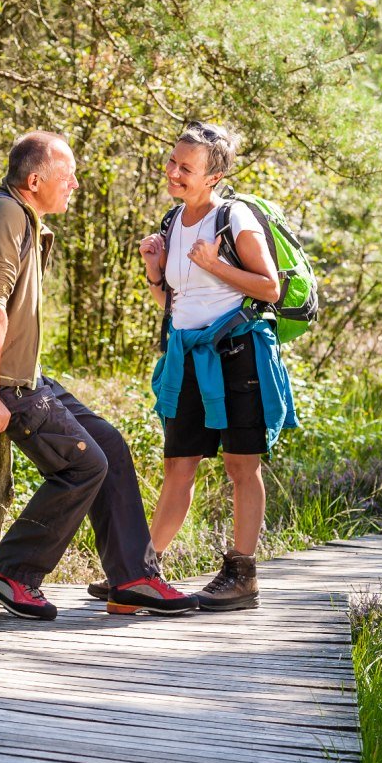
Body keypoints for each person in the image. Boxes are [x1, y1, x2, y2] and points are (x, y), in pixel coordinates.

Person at [0, 131, 198, 620]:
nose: (75, 183)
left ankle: (134, 580)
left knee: (110, 448)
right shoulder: (5, 216)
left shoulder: (21, 214)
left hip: (23, 377)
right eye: (67, 174)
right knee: (83, 465)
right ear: (34, 180)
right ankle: (12, 574)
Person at [135, 122, 297, 611]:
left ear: (215, 175)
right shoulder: (172, 221)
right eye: (171, 162)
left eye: (186, 167)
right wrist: (153, 270)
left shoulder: (236, 218)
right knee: (177, 465)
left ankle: (242, 574)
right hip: (187, 355)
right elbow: (175, 299)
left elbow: (270, 288)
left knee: (240, 466)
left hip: (237, 355)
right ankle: (143, 569)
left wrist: (215, 264)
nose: (173, 172)